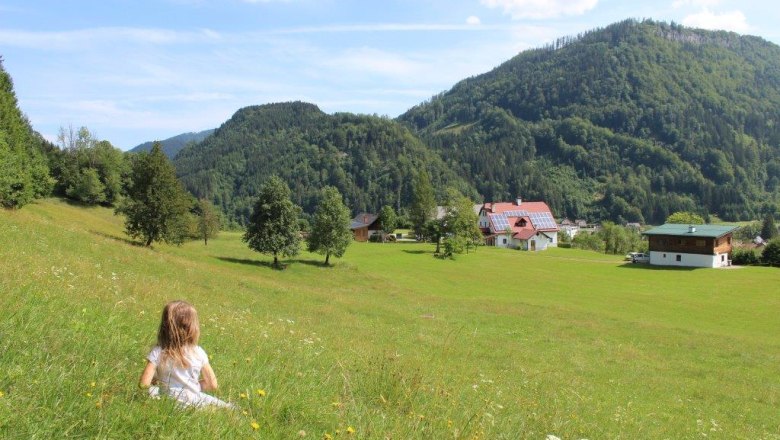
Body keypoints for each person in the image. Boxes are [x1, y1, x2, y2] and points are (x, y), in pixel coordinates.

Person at [138, 300, 233, 408]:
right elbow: (212, 384)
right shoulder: (198, 352)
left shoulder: (159, 351)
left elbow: (144, 384)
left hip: (166, 401)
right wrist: (192, 386)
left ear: (165, 327)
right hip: (193, 403)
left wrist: (156, 381)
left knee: (153, 391)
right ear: (193, 328)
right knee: (219, 404)